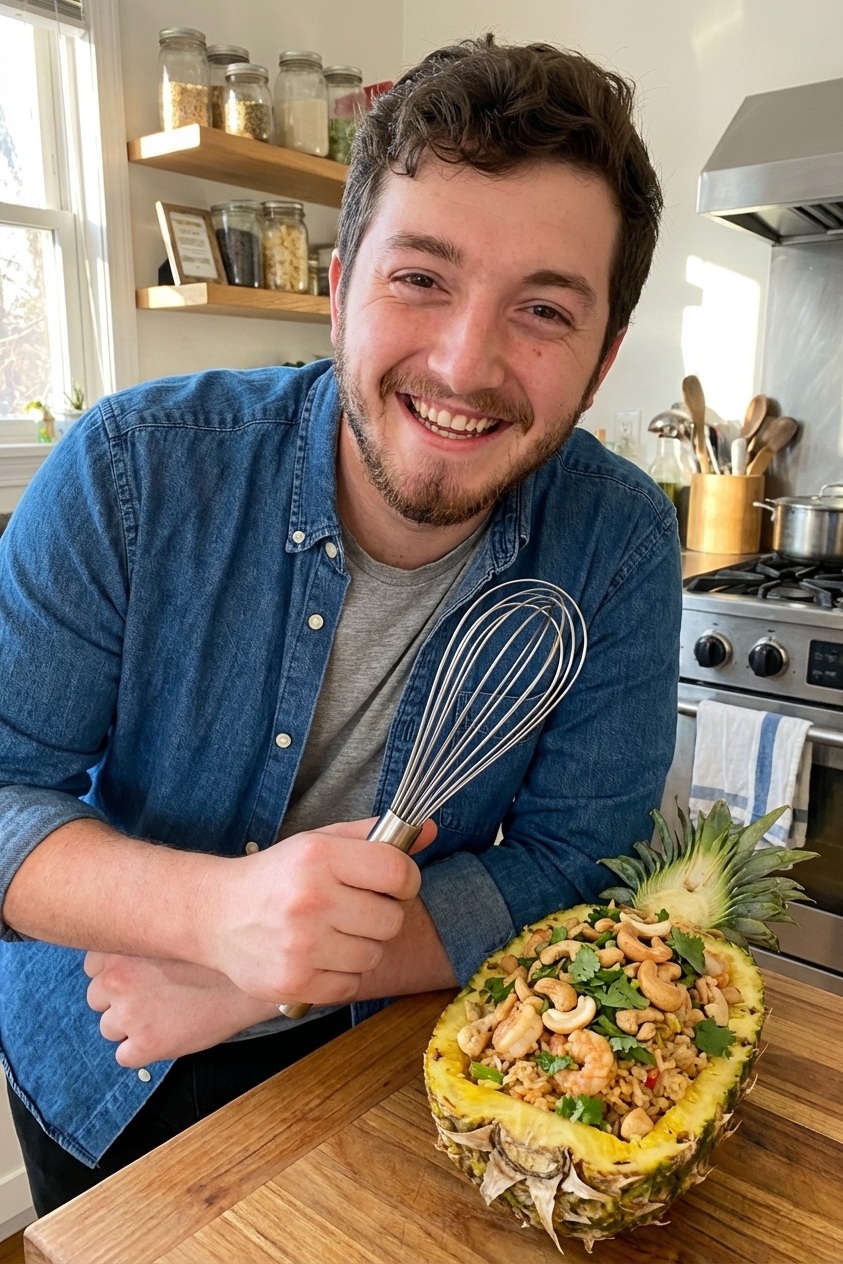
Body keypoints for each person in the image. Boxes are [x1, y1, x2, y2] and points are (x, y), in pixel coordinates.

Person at [0, 35, 680, 1215]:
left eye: (543, 309)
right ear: (337, 291)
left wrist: (277, 977)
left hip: (396, 1062)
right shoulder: (128, 472)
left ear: (603, 357)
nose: (465, 364)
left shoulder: (619, 543)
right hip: (107, 1042)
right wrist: (214, 918)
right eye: (420, 278)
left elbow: (580, 865)